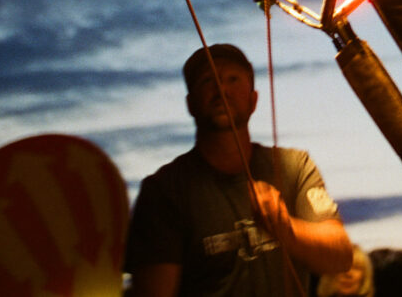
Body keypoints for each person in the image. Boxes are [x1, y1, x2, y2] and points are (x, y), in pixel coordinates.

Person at [126, 43, 353, 296]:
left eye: (233, 79)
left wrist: (286, 229)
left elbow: (341, 256)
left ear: (253, 100)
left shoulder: (295, 166)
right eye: (207, 80)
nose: (221, 89)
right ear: (190, 104)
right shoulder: (163, 191)